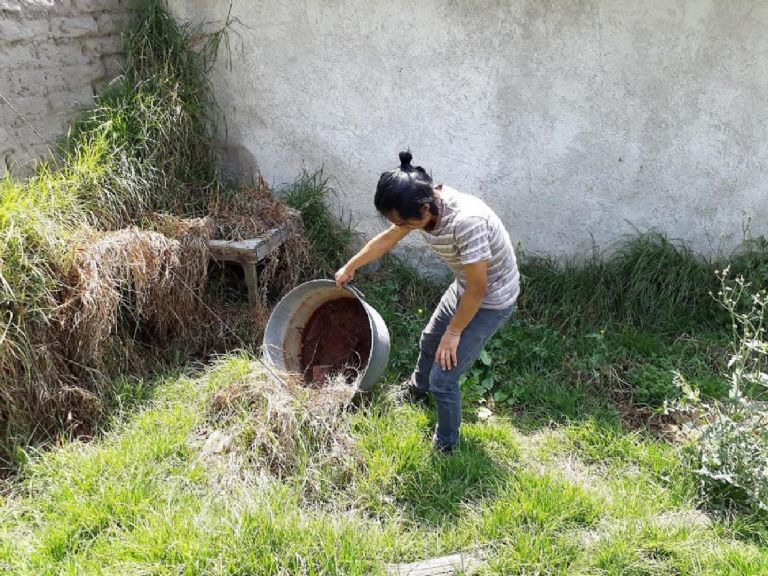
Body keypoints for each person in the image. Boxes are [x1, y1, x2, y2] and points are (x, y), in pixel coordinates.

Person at [335, 151, 520, 453]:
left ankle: (446, 444)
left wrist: (455, 332)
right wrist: (352, 265)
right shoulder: (421, 202)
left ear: (425, 209)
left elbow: (478, 288)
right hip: (465, 285)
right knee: (429, 339)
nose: (399, 226)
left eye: (402, 222)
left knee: (444, 378)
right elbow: (388, 238)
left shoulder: (466, 222)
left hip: (490, 298)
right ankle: (416, 391)